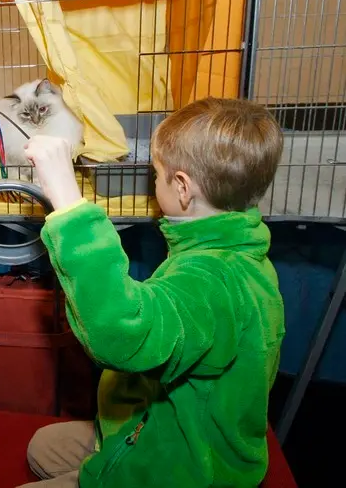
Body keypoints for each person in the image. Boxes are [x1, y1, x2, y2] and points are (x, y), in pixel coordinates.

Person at [19, 97, 286, 487]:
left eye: (156, 175)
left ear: (182, 188)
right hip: (164, 421)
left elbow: (124, 334)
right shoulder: (237, 246)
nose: (153, 183)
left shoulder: (212, 278)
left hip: (183, 469)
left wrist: (67, 202)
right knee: (42, 447)